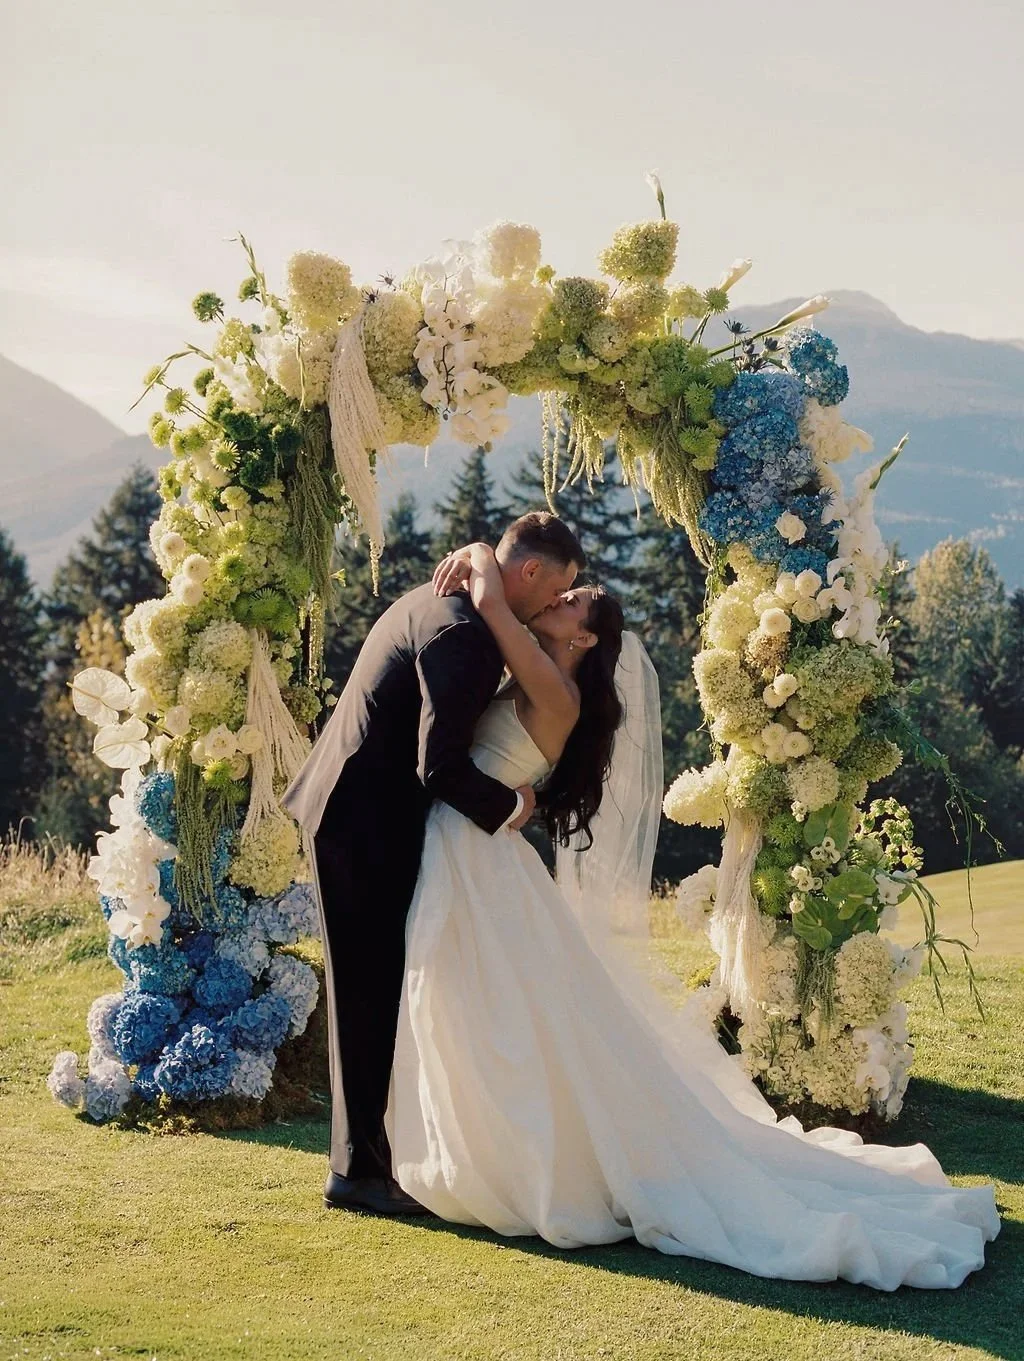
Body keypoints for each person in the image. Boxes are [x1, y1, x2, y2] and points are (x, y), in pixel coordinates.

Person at [384, 541, 1000, 1291]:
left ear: (582, 640)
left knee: (498, 1008)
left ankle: (516, 1158)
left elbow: (489, 604)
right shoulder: (534, 672)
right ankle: (475, 1141)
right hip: (472, 849)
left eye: (576, 603)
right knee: (485, 1007)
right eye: (566, 593)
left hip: (478, 857)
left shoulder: (556, 688)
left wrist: (482, 558)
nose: (561, 601)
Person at [280, 512, 586, 1215]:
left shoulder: (455, 602)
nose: (548, 608)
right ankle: (357, 1171)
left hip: (360, 810)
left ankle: (370, 1159)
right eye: (554, 591)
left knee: (375, 987)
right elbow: (440, 766)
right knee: (366, 991)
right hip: (360, 819)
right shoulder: (466, 637)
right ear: (530, 570)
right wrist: (514, 808)